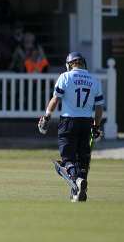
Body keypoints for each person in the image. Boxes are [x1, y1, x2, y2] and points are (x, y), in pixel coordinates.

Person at [38, 52, 103, 202]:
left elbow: (55, 100)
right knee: (83, 158)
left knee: (67, 158)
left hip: (68, 121)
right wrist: (96, 126)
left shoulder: (65, 77)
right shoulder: (94, 80)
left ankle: (77, 181)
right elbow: (99, 108)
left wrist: (47, 117)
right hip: (86, 122)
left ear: (70, 64)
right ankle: (79, 189)